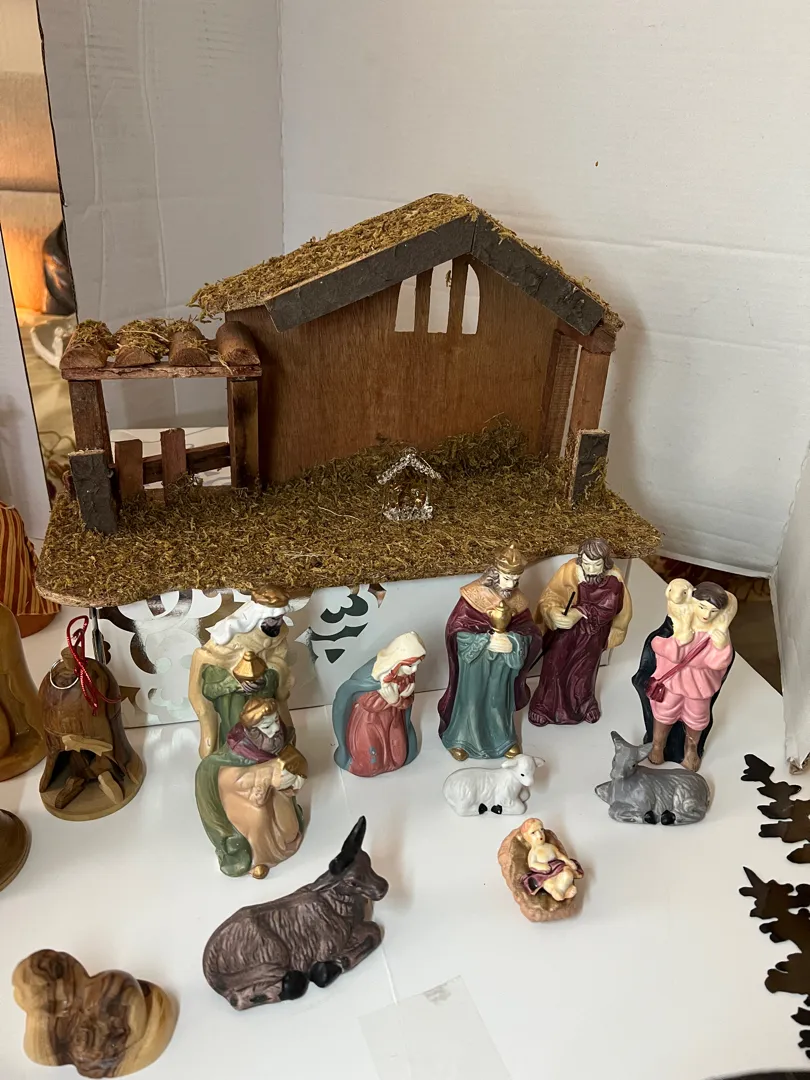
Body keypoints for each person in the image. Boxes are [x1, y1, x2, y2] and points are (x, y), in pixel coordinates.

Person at [194, 655, 307, 877]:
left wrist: (295, 776)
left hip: (277, 793)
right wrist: (267, 775)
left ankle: (284, 840)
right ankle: (260, 859)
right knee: (258, 816)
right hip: (246, 800)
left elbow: (294, 760)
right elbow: (229, 780)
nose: (275, 730)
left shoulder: (278, 737)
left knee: (289, 828)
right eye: (268, 727)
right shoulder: (236, 751)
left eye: (275, 723)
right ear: (253, 731)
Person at [438, 544, 543, 761]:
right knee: (471, 700)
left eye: (516, 579)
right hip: (476, 663)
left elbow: (531, 632)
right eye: (507, 578)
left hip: (503, 665)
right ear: (495, 573)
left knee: (499, 701)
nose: (511, 585)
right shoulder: (473, 596)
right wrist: (485, 640)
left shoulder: (518, 601)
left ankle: (504, 739)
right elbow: (456, 630)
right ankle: (461, 740)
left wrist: (513, 642)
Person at [528, 538, 631, 727]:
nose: (590, 569)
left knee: (584, 670)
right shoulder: (569, 570)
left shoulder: (614, 579)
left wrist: (579, 612)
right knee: (554, 662)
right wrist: (553, 611)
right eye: (586, 563)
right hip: (564, 632)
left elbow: (609, 607)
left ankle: (584, 704)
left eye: (596, 565)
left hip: (592, 633)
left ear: (605, 563)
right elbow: (552, 593)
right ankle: (544, 705)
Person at [645, 580, 736, 771]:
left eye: (713, 611)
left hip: (699, 686)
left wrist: (720, 646)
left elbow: (718, 663)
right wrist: (680, 640)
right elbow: (657, 643)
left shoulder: (717, 632)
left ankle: (691, 751)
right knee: (665, 711)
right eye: (702, 607)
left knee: (697, 717)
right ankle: (657, 745)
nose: (706, 615)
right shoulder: (677, 622)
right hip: (673, 681)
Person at [332, 632, 426, 777]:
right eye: (411, 665)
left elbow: (407, 702)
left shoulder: (406, 676)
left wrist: (398, 700)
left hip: (393, 720)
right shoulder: (373, 676)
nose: (414, 670)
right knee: (371, 759)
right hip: (369, 721)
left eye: (417, 664)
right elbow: (365, 700)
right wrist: (392, 699)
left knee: (398, 754)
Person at [519, 819, 583, 902]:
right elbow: (532, 864)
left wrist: (567, 861)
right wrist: (541, 866)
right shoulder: (533, 852)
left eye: (541, 829)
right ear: (527, 837)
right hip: (545, 875)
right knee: (547, 884)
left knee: (568, 874)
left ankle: (561, 890)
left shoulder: (550, 847)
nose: (539, 834)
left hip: (558, 868)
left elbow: (559, 855)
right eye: (533, 833)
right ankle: (558, 891)